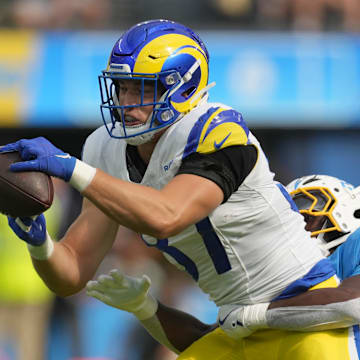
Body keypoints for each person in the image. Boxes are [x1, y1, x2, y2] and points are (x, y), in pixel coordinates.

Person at [0, 19, 358, 359]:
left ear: (182, 86)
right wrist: (41, 245)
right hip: (233, 326)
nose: (126, 102)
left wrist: (70, 168)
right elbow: (72, 273)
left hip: (303, 315)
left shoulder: (217, 131)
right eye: (122, 87)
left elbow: (167, 215)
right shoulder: (104, 149)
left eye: (141, 87)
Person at [87, 174, 360, 359]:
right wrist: (145, 307)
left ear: (349, 212)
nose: (297, 222)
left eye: (306, 212)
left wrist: (255, 315)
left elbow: (352, 304)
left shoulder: (353, 244)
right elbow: (212, 341)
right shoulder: (278, 275)